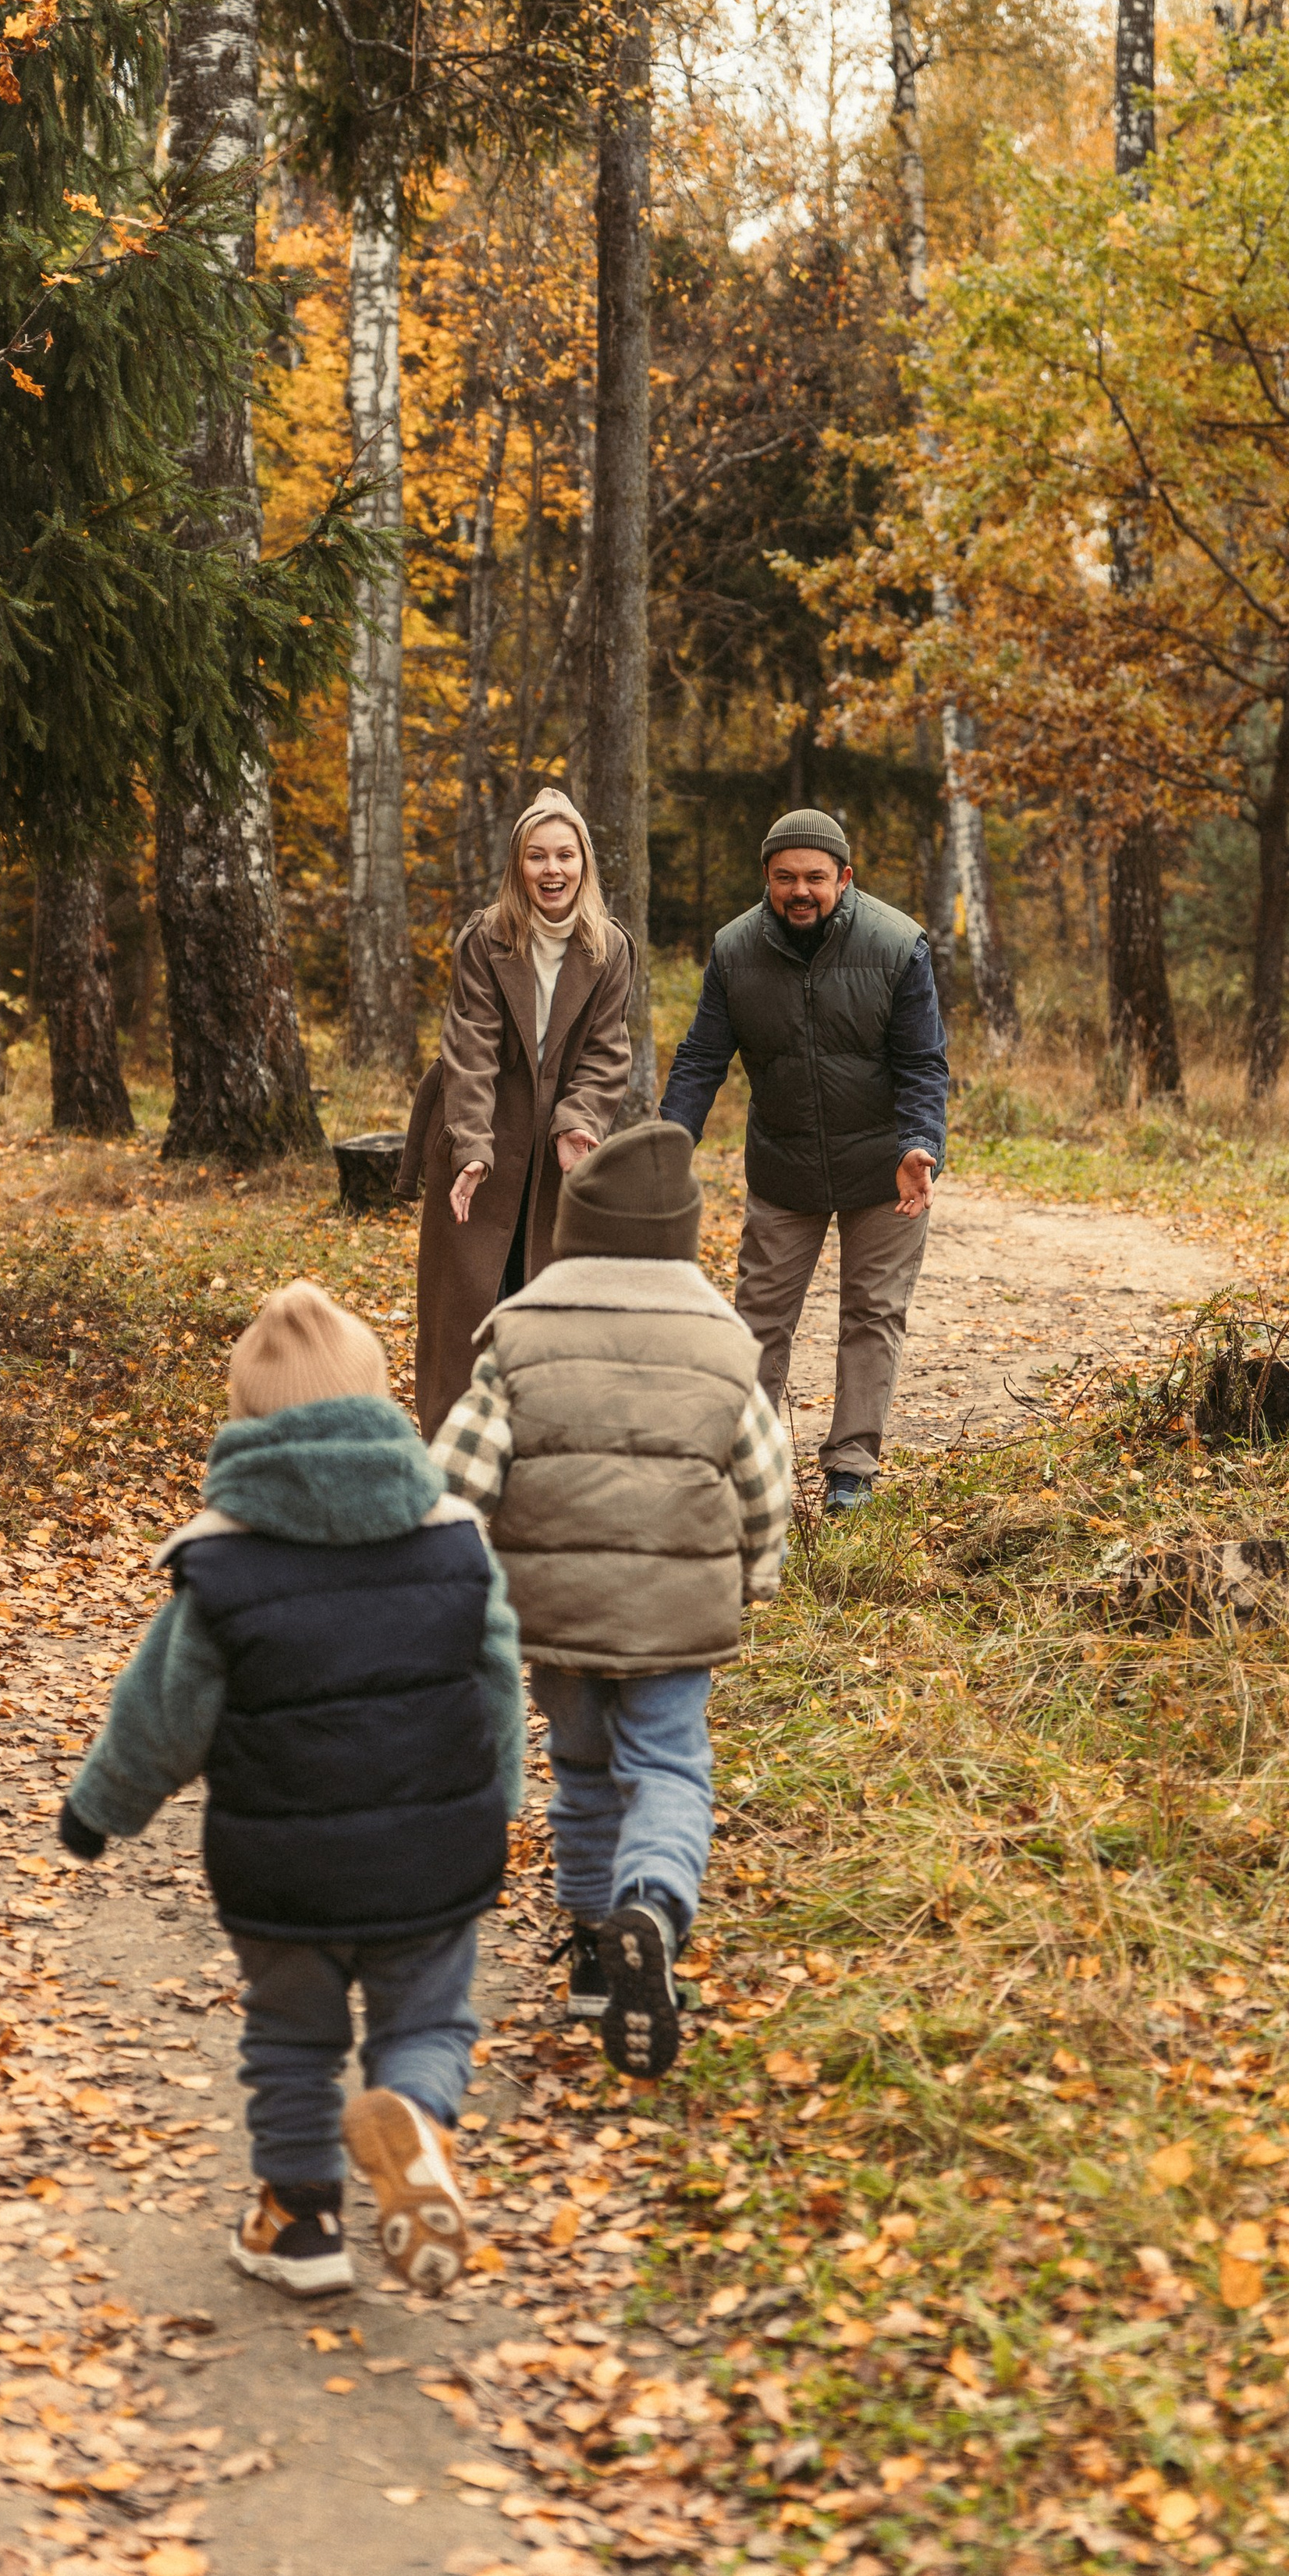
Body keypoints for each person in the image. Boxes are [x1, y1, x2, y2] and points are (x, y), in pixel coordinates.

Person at [55, 1281, 524, 2301]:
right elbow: (496, 1676)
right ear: (383, 1407)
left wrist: (101, 1812)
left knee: (292, 2038)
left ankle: (300, 2223)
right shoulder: (453, 1538)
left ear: (245, 1425)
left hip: (286, 1874)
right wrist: (504, 1800)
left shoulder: (222, 1565)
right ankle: (414, 2123)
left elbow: (161, 1713)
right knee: (430, 2021)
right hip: (432, 1858)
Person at [429, 1121, 790, 2081]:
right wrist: (756, 1571)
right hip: (676, 1617)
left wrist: (442, 1584)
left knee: (583, 1772)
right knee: (668, 1766)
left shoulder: (521, 1334)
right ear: (682, 1237)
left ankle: (594, 1952)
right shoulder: (724, 1344)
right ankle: (654, 1907)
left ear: (575, 1234)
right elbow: (764, 1476)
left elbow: (459, 1471)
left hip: (556, 1612)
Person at [659, 807, 949, 1515]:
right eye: (786, 877)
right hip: (783, 1166)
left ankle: (852, 1470)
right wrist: (667, 1145)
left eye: (816, 877)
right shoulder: (734, 951)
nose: (801, 891)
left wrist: (920, 1144)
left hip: (885, 1168)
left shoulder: (898, 944)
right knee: (759, 1318)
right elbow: (702, 1057)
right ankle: (748, 1468)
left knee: (873, 1315)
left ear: (843, 878)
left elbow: (922, 1063)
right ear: (766, 878)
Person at [399, 790, 634, 1437]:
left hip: (559, 1147)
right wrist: (470, 1144)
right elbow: (468, 1046)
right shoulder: (486, 937)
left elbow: (607, 1050)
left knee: (545, 1291)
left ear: (584, 863)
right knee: (466, 1299)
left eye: (565, 855)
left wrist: (580, 1119)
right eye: (537, 857)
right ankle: (452, 1444)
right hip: (484, 1130)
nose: (551, 870)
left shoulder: (608, 948)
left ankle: (538, 1440)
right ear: (517, 865)